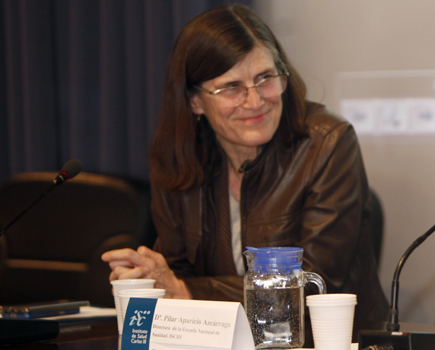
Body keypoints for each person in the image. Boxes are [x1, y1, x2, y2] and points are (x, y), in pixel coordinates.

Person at [101, 5, 388, 322]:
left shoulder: (328, 143)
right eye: (231, 87)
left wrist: (187, 291)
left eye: (265, 78)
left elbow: (309, 285)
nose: (255, 101)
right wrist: (153, 278)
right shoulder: (177, 159)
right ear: (194, 101)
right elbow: (176, 271)